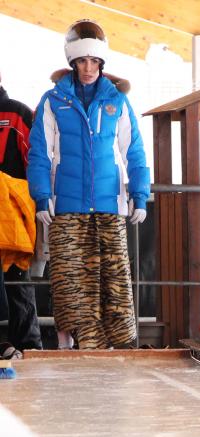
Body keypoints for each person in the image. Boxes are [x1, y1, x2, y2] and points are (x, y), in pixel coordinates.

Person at [27, 19, 150, 350]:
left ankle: (112, 342)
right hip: (66, 206)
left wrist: (139, 194)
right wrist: (41, 197)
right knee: (70, 280)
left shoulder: (117, 102)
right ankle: (70, 340)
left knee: (113, 280)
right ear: (72, 62)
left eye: (94, 61)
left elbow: (134, 152)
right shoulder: (54, 101)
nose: (88, 68)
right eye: (82, 61)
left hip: (109, 203)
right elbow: (39, 154)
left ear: (102, 63)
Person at [0, 76, 43, 359]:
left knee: (18, 279)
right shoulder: (17, 111)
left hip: (15, 214)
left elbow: (35, 161)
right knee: (17, 280)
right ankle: (20, 345)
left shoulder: (17, 113)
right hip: (15, 214)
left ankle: (29, 345)